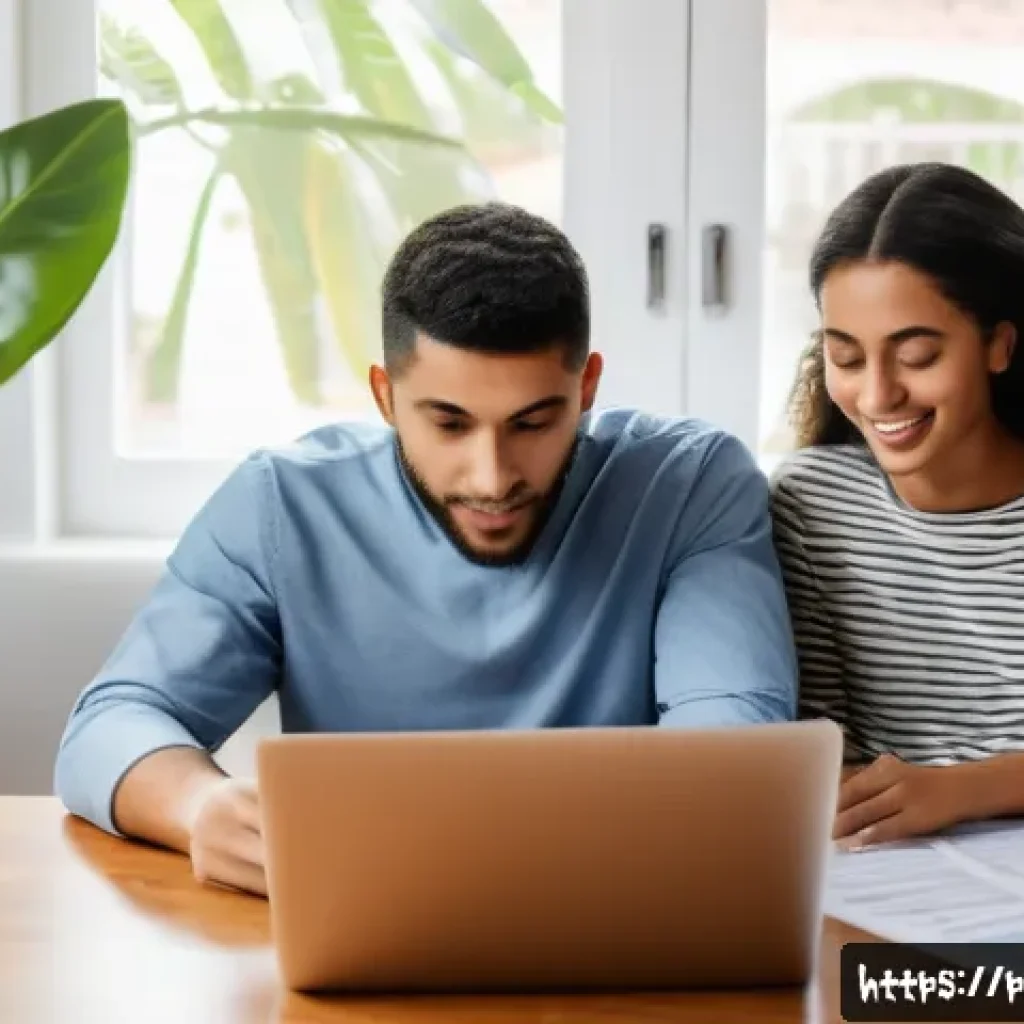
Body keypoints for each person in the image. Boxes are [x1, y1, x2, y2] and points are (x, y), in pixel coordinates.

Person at [56, 202, 797, 896]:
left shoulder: (691, 485)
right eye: (449, 424)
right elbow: (110, 724)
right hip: (365, 924)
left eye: (534, 422)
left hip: (616, 918)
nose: (493, 475)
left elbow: (735, 752)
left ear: (587, 386)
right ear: (384, 396)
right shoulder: (283, 505)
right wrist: (196, 805)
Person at [770, 162, 1024, 852]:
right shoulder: (812, 503)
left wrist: (964, 788)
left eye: (915, 355)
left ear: (1000, 344)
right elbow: (819, 741)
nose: (878, 396)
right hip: (891, 881)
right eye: (847, 358)